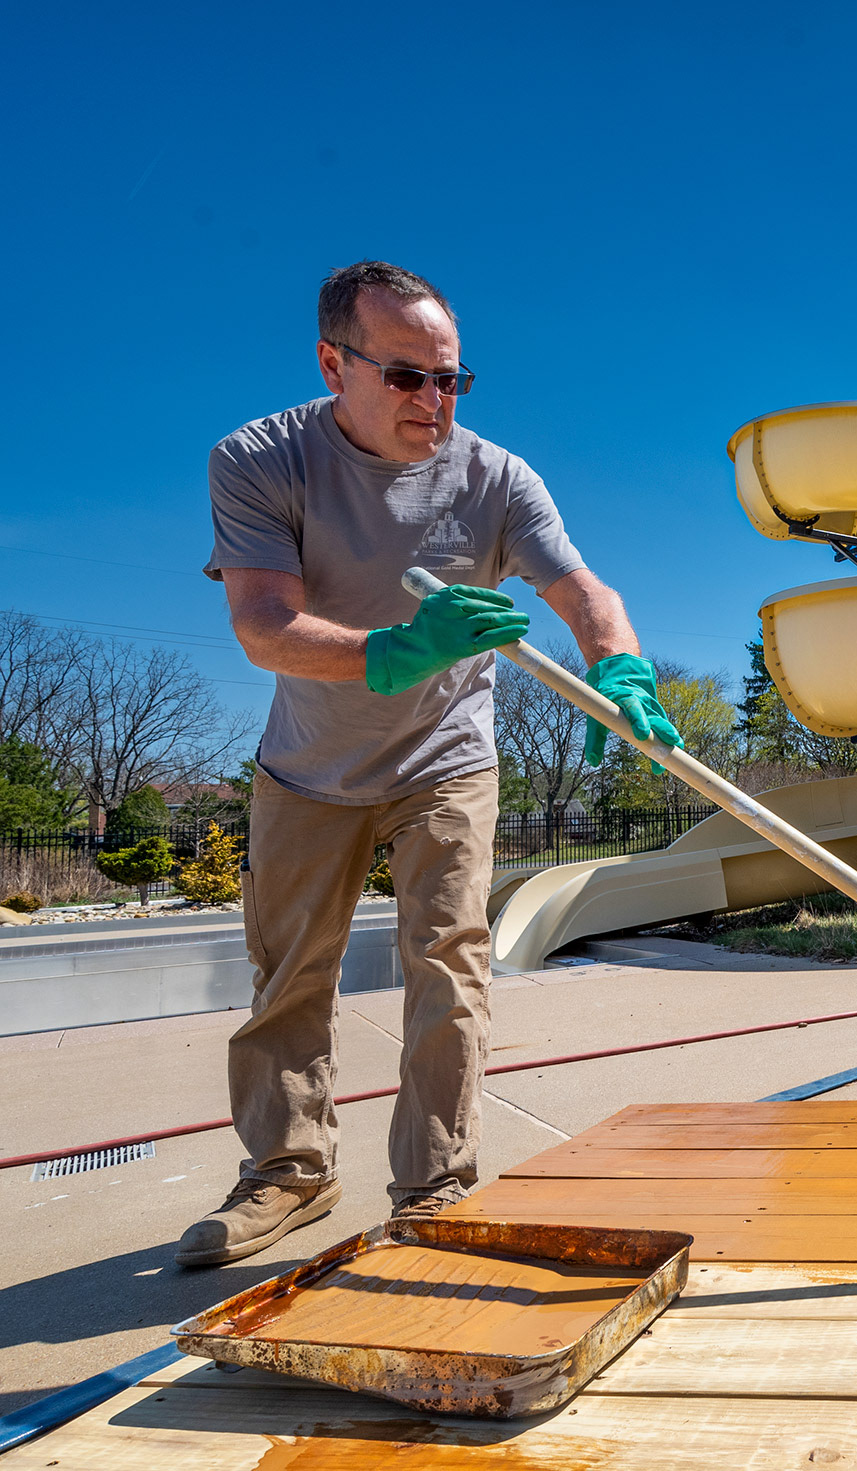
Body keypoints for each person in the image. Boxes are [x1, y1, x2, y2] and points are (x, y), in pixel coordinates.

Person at [177, 261, 682, 1267]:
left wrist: (619, 668)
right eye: (407, 377)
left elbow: (582, 588)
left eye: (451, 378)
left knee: (449, 964)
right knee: (289, 977)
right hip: (309, 763)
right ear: (335, 364)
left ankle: (435, 1185)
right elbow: (263, 624)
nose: (433, 401)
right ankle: (288, 1172)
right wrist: (397, 648)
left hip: (447, 757)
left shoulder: (497, 478)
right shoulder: (260, 459)